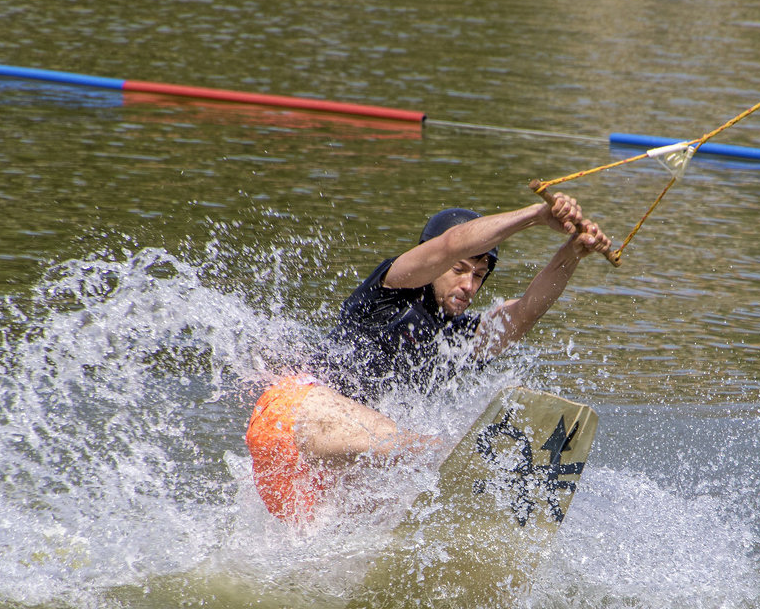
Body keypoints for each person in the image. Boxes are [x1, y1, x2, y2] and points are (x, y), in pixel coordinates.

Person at [245, 191, 612, 523]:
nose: (469, 286)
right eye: (459, 270)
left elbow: (525, 312)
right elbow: (451, 244)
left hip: (305, 479)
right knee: (437, 449)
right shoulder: (390, 288)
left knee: (385, 518)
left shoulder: (459, 338)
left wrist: (573, 252)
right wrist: (535, 215)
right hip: (291, 415)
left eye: (480, 276)